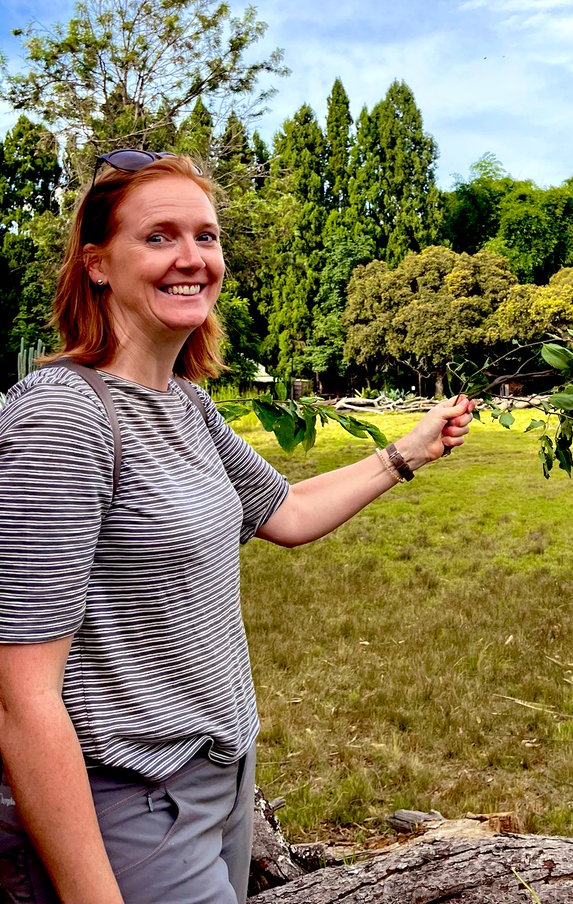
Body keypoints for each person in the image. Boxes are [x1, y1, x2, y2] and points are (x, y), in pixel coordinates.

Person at [0, 151, 475, 904]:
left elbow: (284, 513)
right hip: (123, 800)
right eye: (159, 237)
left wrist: (410, 450)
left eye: (207, 237)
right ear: (97, 264)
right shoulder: (64, 417)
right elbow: (20, 699)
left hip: (219, 776)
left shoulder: (186, 405)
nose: (193, 259)